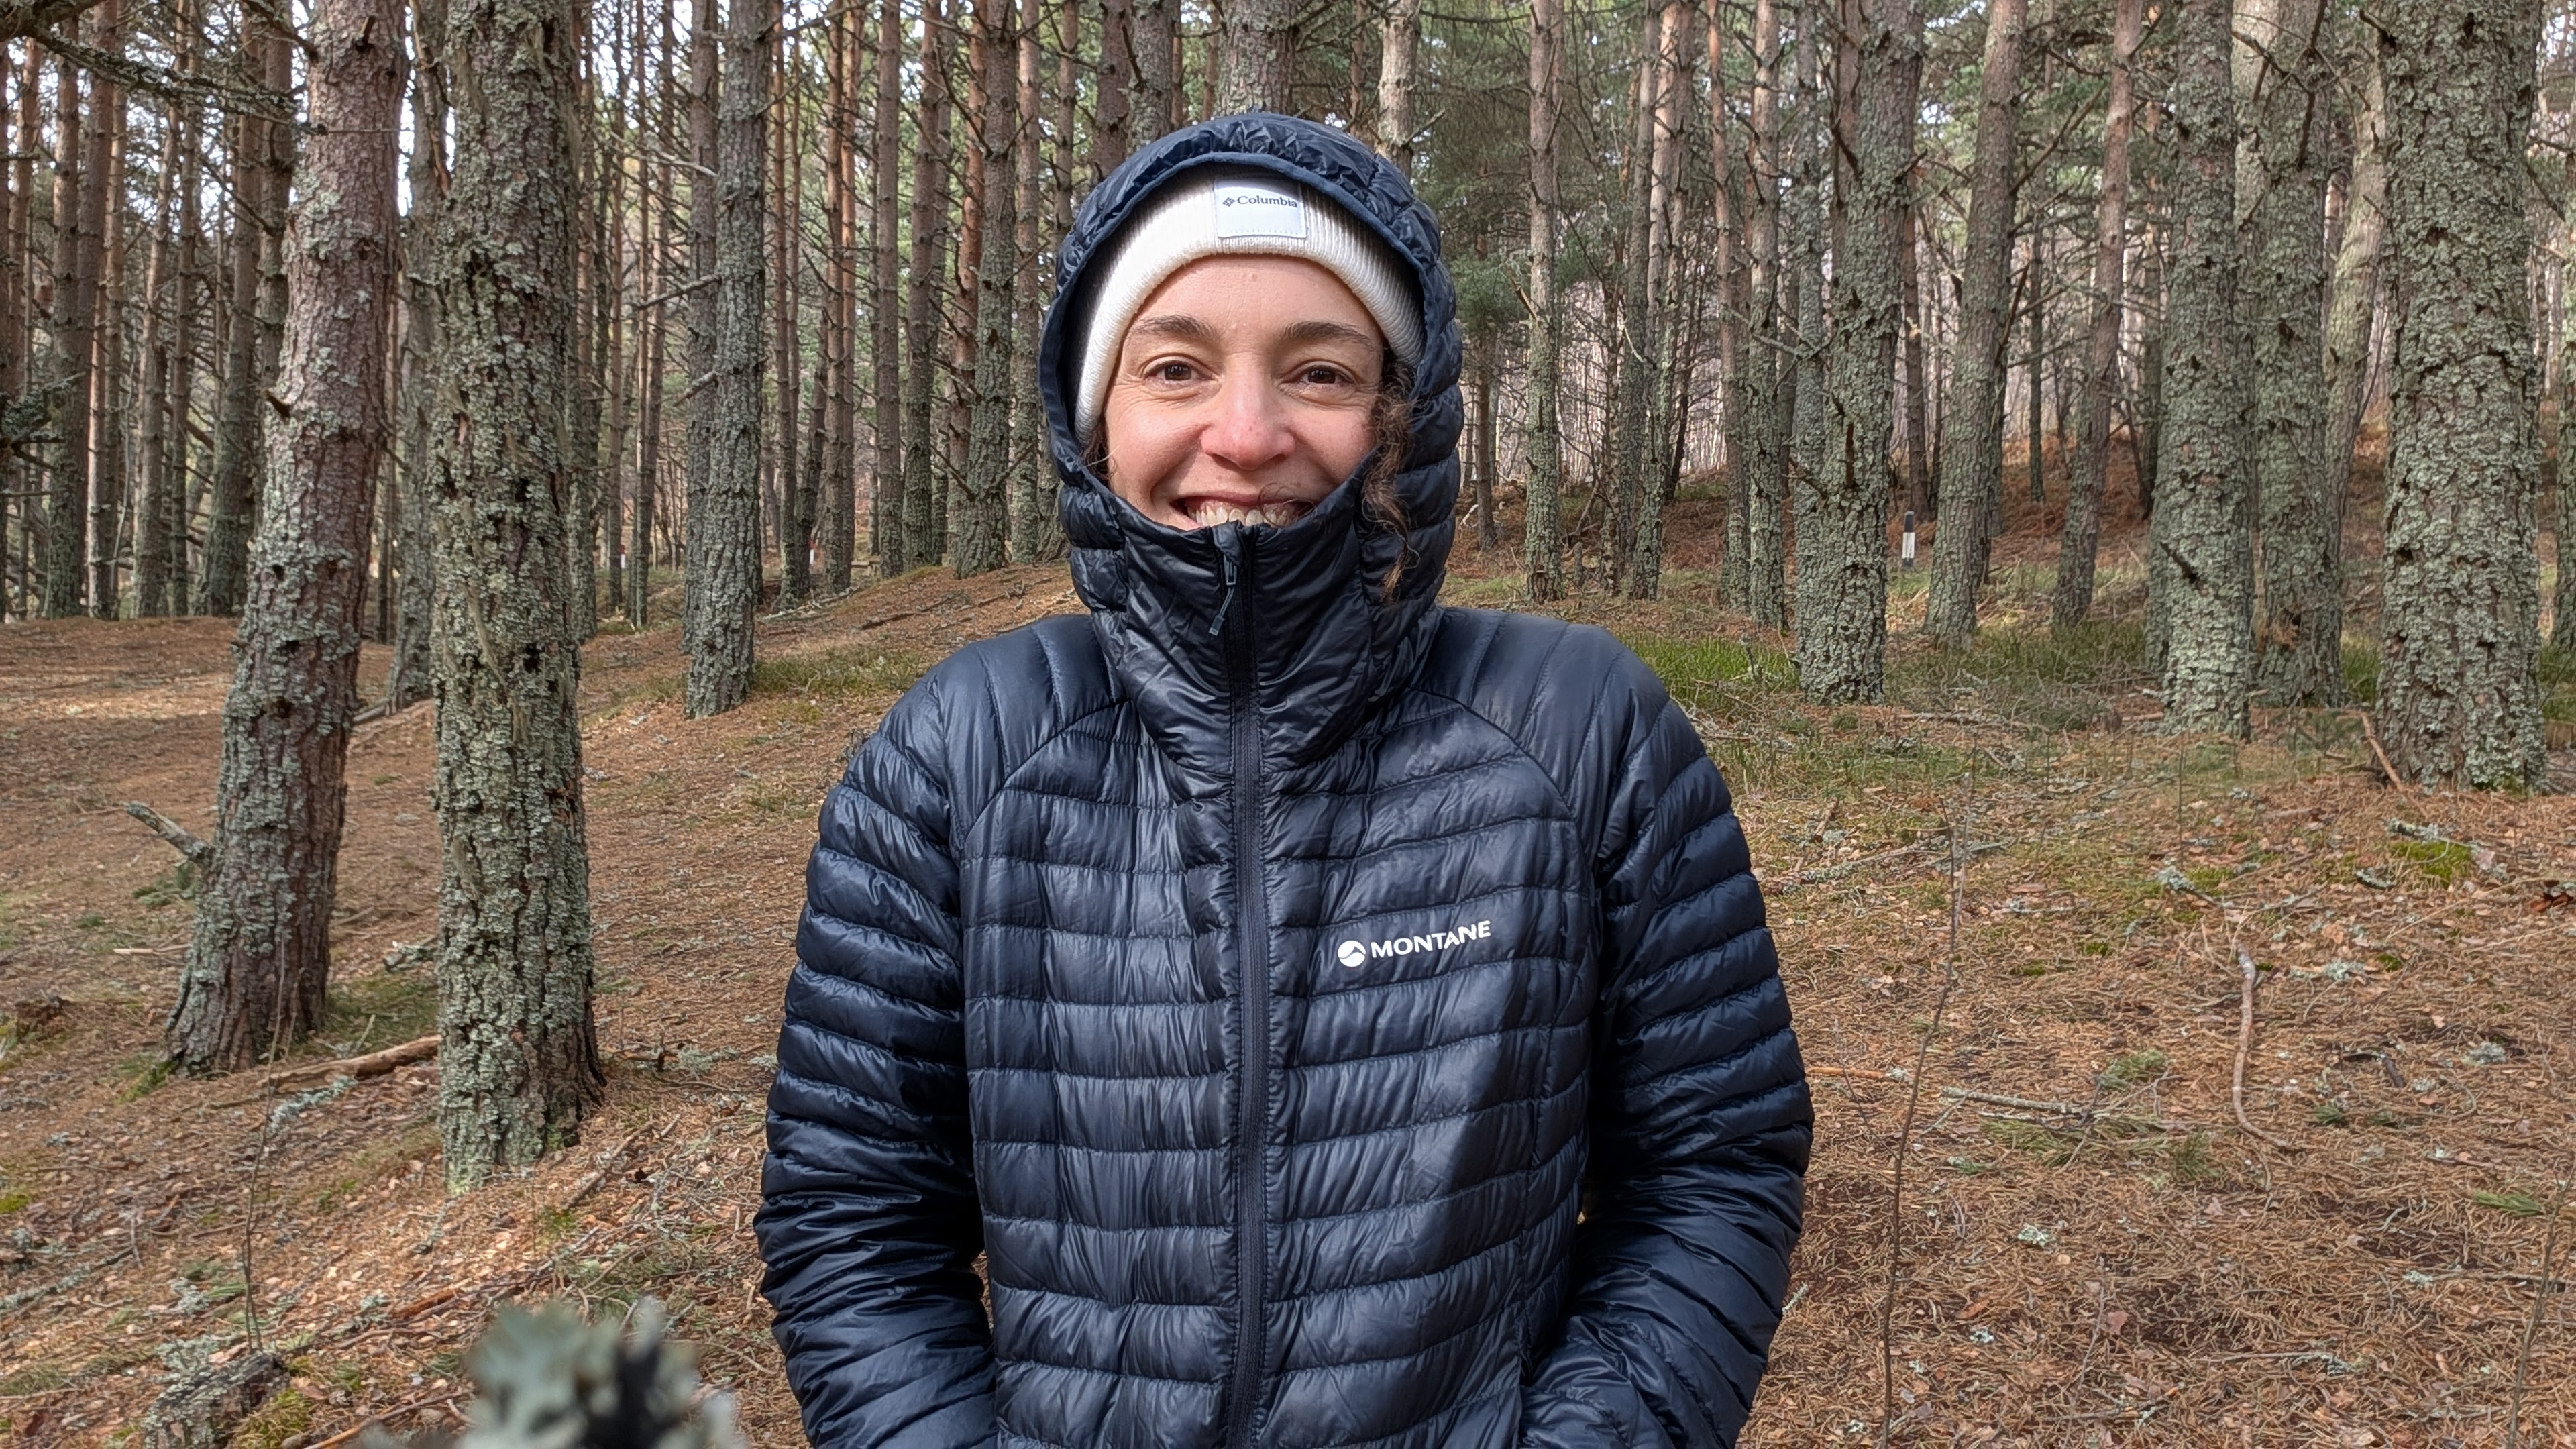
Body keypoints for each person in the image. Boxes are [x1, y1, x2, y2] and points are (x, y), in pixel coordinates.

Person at [756, 113, 1812, 1448]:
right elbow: (851, 1221)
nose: (1246, 435)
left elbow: (1714, 1171)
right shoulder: (961, 754)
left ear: (1401, 412)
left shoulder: (1581, 734)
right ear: (1099, 413)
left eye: (1317, 370)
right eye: (1177, 366)